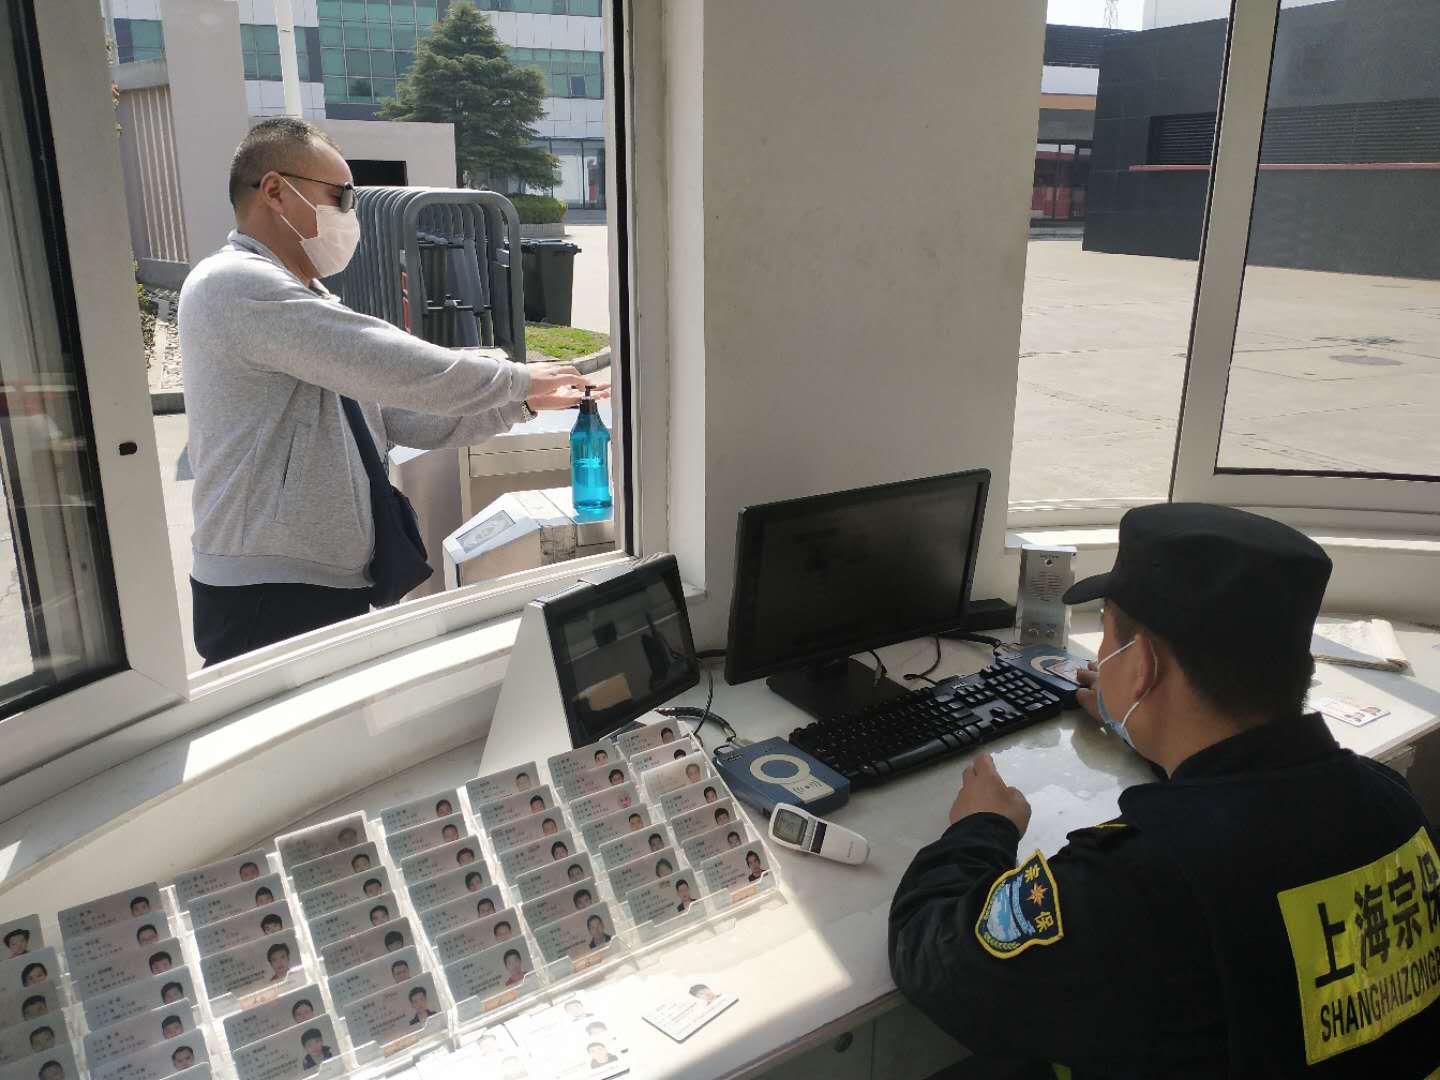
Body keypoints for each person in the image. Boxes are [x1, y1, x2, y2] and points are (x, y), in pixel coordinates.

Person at [888, 503, 1440, 1077]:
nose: (1101, 657)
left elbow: (938, 962)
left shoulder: (1136, 883)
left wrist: (979, 828)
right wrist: (1158, 736)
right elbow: (1254, 810)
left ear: (1141, 666)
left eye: (1107, 635)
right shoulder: (1390, 802)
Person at [180, 118, 596, 666]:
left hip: (319, 578)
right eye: (340, 196)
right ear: (275, 191)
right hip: (270, 588)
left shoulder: (303, 297)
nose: (349, 214)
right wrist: (516, 378)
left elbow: (396, 416)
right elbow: (395, 366)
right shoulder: (234, 285)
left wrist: (519, 404)